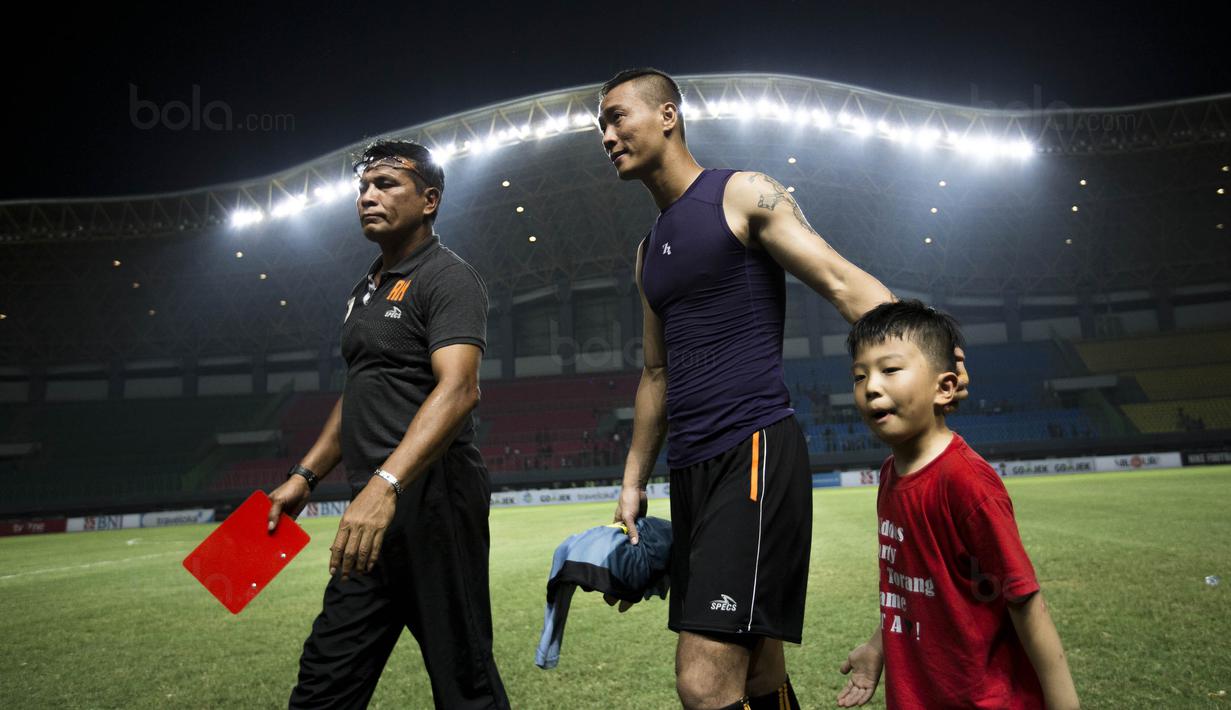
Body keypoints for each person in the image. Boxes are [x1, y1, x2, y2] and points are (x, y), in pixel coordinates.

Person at [598, 68, 967, 710]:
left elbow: (842, 282)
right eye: (600, 125)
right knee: (758, 671)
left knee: (704, 680)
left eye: (618, 116)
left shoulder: (741, 193)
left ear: (667, 115)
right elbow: (656, 373)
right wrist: (634, 480)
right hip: (690, 469)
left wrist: (927, 351)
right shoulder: (647, 249)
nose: (607, 135)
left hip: (754, 451)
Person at [265, 139, 509, 709]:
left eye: (386, 185)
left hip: (433, 503)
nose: (367, 197)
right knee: (325, 678)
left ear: (429, 201)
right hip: (369, 511)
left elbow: (459, 390)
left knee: (463, 681)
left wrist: (386, 484)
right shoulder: (364, 291)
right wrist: (304, 476)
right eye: (363, 187)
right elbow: (358, 392)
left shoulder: (448, 277)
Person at [837, 300, 1078, 709]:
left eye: (890, 370)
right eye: (860, 376)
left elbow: (1023, 599)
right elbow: (917, 586)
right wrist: (879, 644)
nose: (871, 386)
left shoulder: (966, 482)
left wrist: (1064, 704)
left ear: (945, 386)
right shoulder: (890, 474)